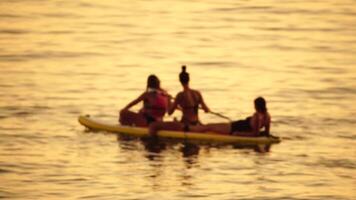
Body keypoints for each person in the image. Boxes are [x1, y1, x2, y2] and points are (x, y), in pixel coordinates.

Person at [150, 97, 271, 137]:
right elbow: (264, 132)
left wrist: (238, 134)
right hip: (235, 126)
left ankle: (190, 128)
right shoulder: (267, 116)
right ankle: (197, 126)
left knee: (207, 127)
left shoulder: (257, 117)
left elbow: (253, 135)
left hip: (232, 128)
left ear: (256, 106)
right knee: (208, 127)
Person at [149, 65, 210, 134]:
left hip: (186, 124)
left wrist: (168, 99)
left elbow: (169, 112)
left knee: (154, 125)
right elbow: (206, 110)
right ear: (189, 79)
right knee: (176, 121)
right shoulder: (197, 93)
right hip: (196, 123)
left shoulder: (180, 95)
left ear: (180, 81)